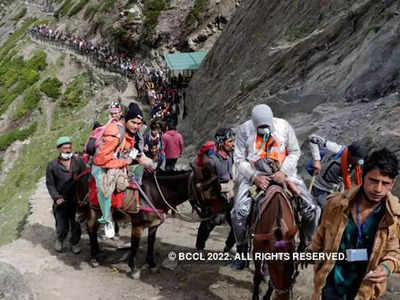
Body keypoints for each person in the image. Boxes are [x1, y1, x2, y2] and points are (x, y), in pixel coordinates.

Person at [231, 104, 320, 269]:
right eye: (260, 128)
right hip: (255, 174)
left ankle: (305, 245)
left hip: (283, 174)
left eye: (267, 127)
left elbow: (294, 151)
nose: (264, 130)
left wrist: (283, 172)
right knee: (238, 212)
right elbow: (238, 158)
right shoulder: (244, 130)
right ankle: (242, 249)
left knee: (313, 209)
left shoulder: (284, 126)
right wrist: (254, 176)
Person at [308, 148, 400, 300]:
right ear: (363, 176)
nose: (378, 189)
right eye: (373, 180)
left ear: (392, 183)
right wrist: (311, 253)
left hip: (363, 292)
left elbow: (395, 252)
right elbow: (321, 234)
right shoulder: (336, 204)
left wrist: (386, 268)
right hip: (329, 287)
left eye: (385, 183)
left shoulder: (394, 217)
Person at [92, 102, 153, 238]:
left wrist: (138, 158)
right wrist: (125, 162)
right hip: (101, 166)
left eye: (139, 123)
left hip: (116, 161)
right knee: (106, 188)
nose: (136, 126)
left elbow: (126, 149)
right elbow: (100, 160)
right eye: (133, 122)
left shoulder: (129, 132)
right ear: (126, 120)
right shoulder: (114, 133)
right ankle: (108, 219)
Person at [195, 128, 236, 253]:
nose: (233, 144)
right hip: (214, 198)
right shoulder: (212, 161)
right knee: (208, 224)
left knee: (237, 224)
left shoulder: (229, 156)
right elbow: (208, 183)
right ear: (222, 142)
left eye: (233, 141)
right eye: (230, 141)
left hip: (228, 195)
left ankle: (228, 246)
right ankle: (200, 248)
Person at [46, 136, 86, 253]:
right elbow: (50, 184)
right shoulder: (52, 165)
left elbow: (84, 178)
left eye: (69, 147)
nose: (68, 150)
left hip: (76, 200)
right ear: (59, 149)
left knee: (76, 224)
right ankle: (60, 239)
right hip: (61, 200)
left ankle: (74, 242)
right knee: (61, 224)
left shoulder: (78, 162)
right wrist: (56, 197)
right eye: (64, 148)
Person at [308, 135, 369, 208]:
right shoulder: (335, 149)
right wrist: (316, 160)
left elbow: (347, 180)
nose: (356, 163)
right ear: (349, 153)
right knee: (326, 209)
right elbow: (312, 138)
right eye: (355, 160)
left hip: (335, 189)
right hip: (319, 187)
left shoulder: (356, 164)